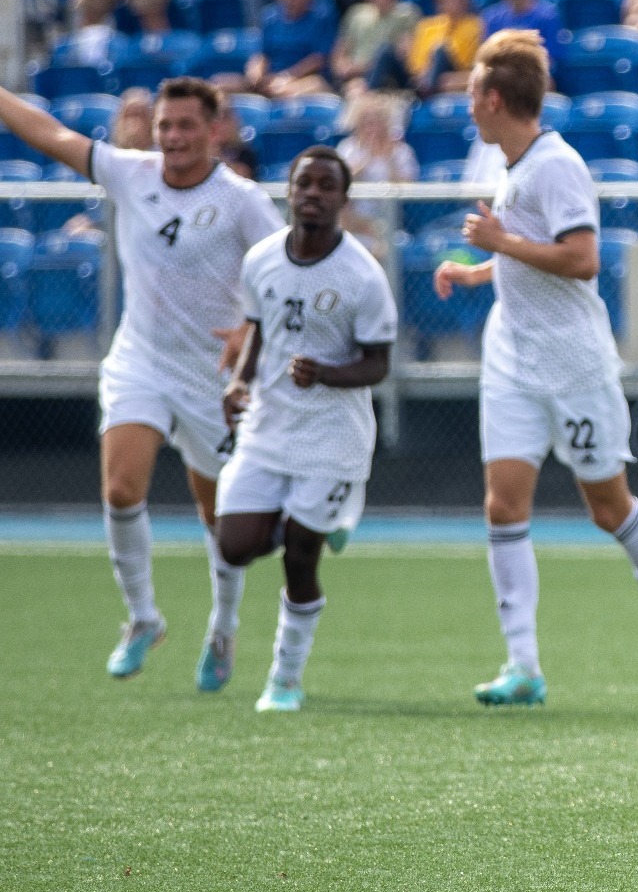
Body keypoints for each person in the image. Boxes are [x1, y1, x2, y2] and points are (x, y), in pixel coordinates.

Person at [432, 31, 638, 708]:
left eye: (471, 94)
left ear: (493, 99)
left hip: (572, 359)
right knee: (503, 502)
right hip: (513, 355)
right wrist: (481, 271)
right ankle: (523, 664)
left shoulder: (556, 165)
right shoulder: (515, 166)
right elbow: (534, 254)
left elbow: (580, 259)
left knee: (607, 505)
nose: (467, 106)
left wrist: (498, 241)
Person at [0, 77, 283, 682]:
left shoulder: (243, 201)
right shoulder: (131, 173)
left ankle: (223, 629)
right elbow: (51, 133)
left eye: (186, 126)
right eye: (165, 126)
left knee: (219, 517)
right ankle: (143, 617)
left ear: (215, 131)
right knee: (122, 489)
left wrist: (248, 334)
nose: (174, 137)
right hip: (141, 360)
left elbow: (284, 279)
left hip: (213, 377)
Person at [209, 147, 397, 710]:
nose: (313, 193)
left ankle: (284, 679)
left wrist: (329, 374)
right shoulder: (262, 259)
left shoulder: (362, 274)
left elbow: (379, 363)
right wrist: (239, 382)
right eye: (303, 183)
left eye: (325, 186)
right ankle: (319, 518)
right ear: (288, 191)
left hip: (332, 437)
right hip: (270, 425)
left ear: (343, 199)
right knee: (234, 545)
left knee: (299, 555)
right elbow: (258, 330)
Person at [223, 0, 337, 99]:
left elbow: (318, 60)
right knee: (221, 84)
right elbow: (262, 55)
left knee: (288, 90)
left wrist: (285, 76)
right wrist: (256, 74)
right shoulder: (269, 16)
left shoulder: (323, 14)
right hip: (271, 79)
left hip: (304, 80)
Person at [335, 93, 419, 256]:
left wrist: (389, 158)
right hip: (353, 219)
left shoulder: (401, 151)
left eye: (377, 120)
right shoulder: (347, 148)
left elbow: (408, 188)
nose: (372, 126)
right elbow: (340, 182)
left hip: (392, 220)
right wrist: (367, 159)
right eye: (367, 121)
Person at [331, 0, 422, 95]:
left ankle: (367, 92)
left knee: (385, 51)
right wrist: (343, 67)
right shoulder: (355, 13)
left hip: (390, 80)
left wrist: (360, 69)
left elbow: (404, 56)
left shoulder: (407, 14)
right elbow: (339, 53)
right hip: (355, 79)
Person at [398, 0, 486, 95]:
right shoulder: (426, 26)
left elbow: (469, 64)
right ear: (439, 1)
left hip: (455, 71)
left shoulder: (476, 25)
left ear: (466, 0)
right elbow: (416, 64)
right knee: (386, 52)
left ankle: (427, 92)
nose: (453, 1)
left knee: (440, 49)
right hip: (423, 77)